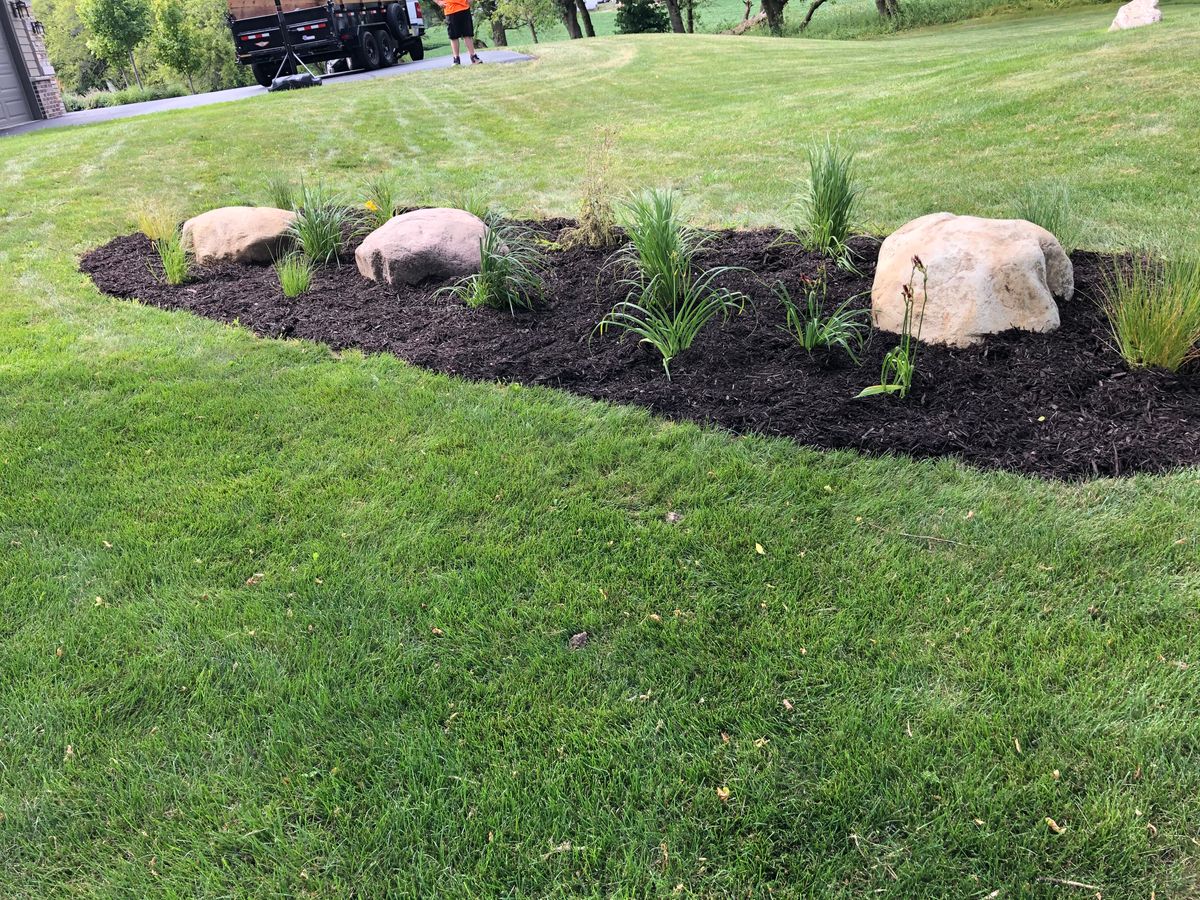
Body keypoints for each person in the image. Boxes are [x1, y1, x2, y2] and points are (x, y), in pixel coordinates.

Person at [434, 0, 482, 65]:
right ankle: (456, 59)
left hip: (464, 7)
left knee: (467, 34)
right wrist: (438, 2)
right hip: (450, 10)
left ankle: (473, 57)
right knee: (453, 36)